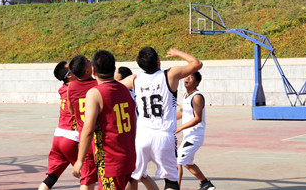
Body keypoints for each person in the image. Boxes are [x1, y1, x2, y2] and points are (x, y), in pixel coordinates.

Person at [121, 47, 202, 190]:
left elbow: (113, 86)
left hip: (142, 136)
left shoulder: (135, 79)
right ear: (158, 61)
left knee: (133, 177)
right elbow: (197, 63)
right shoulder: (169, 75)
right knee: (171, 181)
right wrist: (177, 53)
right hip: (164, 136)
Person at [73, 50, 137, 190]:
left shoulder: (95, 93)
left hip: (110, 160)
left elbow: (88, 130)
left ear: (93, 71)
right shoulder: (124, 90)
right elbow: (134, 121)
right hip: (128, 155)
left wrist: (80, 160)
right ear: (114, 69)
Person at [38, 61, 79, 190]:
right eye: (72, 67)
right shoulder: (76, 89)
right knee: (89, 176)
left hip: (58, 137)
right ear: (69, 75)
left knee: (52, 177)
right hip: (71, 138)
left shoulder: (63, 88)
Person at [176, 72, 214, 190]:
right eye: (186, 77)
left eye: (190, 77)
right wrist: (166, 120)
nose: (186, 79)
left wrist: (180, 128)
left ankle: (175, 188)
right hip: (188, 136)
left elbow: (198, 118)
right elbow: (182, 113)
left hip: (195, 136)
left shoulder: (197, 97)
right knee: (187, 163)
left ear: (196, 82)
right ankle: (206, 184)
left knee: (178, 161)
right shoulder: (186, 96)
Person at [66, 55, 98, 190]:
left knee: (87, 179)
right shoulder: (98, 85)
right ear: (87, 71)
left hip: (84, 141)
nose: (90, 61)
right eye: (87, 61)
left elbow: (71, 110)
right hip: (99, 139)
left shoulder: (71, 86)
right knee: (108, 178)